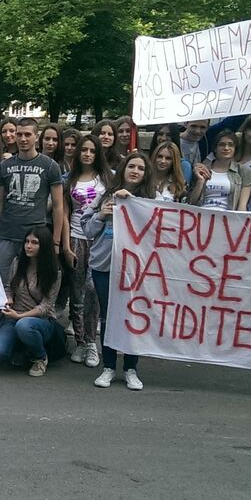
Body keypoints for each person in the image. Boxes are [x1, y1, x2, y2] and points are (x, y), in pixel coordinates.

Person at [0, 118, 65, 359]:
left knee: (34, 285)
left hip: (34, 238)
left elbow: (58, 207)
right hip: (6, 235)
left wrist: (54, 242)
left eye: (27, 134)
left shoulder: (49, 166)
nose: (22, 139)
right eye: (19, 134)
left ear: (36, 136)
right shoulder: (5, 166)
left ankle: (30, 338)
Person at [85, 152, 154, 390]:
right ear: (123, 168)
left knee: (132, 316)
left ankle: (131, 368)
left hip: (135, 269)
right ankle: (109, 366)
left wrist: (133, 203)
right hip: (104, 265)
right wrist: (103, 214)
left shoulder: (150, 201)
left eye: (141, 168)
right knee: (108, 316)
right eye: (131, 166)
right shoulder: (105, 196)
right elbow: (87, 229)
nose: (135, 171)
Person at [62, 134, 111, 367]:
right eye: (84, 150)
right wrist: (65, 244)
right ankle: (80, 342)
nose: (88, 154)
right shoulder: (70, 179)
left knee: (93, 291)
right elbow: (63, 212)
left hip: (98, 240)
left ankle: (92, 342)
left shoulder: (106, 178)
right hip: (75, 238)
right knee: (77, 292)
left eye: (92, 150)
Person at [0, 226, 62, 376]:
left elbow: (46, 306)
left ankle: (40, 357)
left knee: (24, 325)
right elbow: (10, 287)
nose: (29, 246)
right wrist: (9, 299)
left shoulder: (55, 271)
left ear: (45, 245)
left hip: (40, 321)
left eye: (35, 243)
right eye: (27, 242)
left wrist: (20, 316)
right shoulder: (17, 262)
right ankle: (23, 350)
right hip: (15, 317)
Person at [189, 130, 251, 211]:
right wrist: (200, 181)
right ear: (215, 148)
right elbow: (191, 203)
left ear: (235, 149)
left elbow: (242, 207)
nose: (226, 148)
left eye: (231, 145)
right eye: (222, 145)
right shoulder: (202, 169)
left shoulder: (244, 171)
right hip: (201, 216)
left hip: (227, 219)